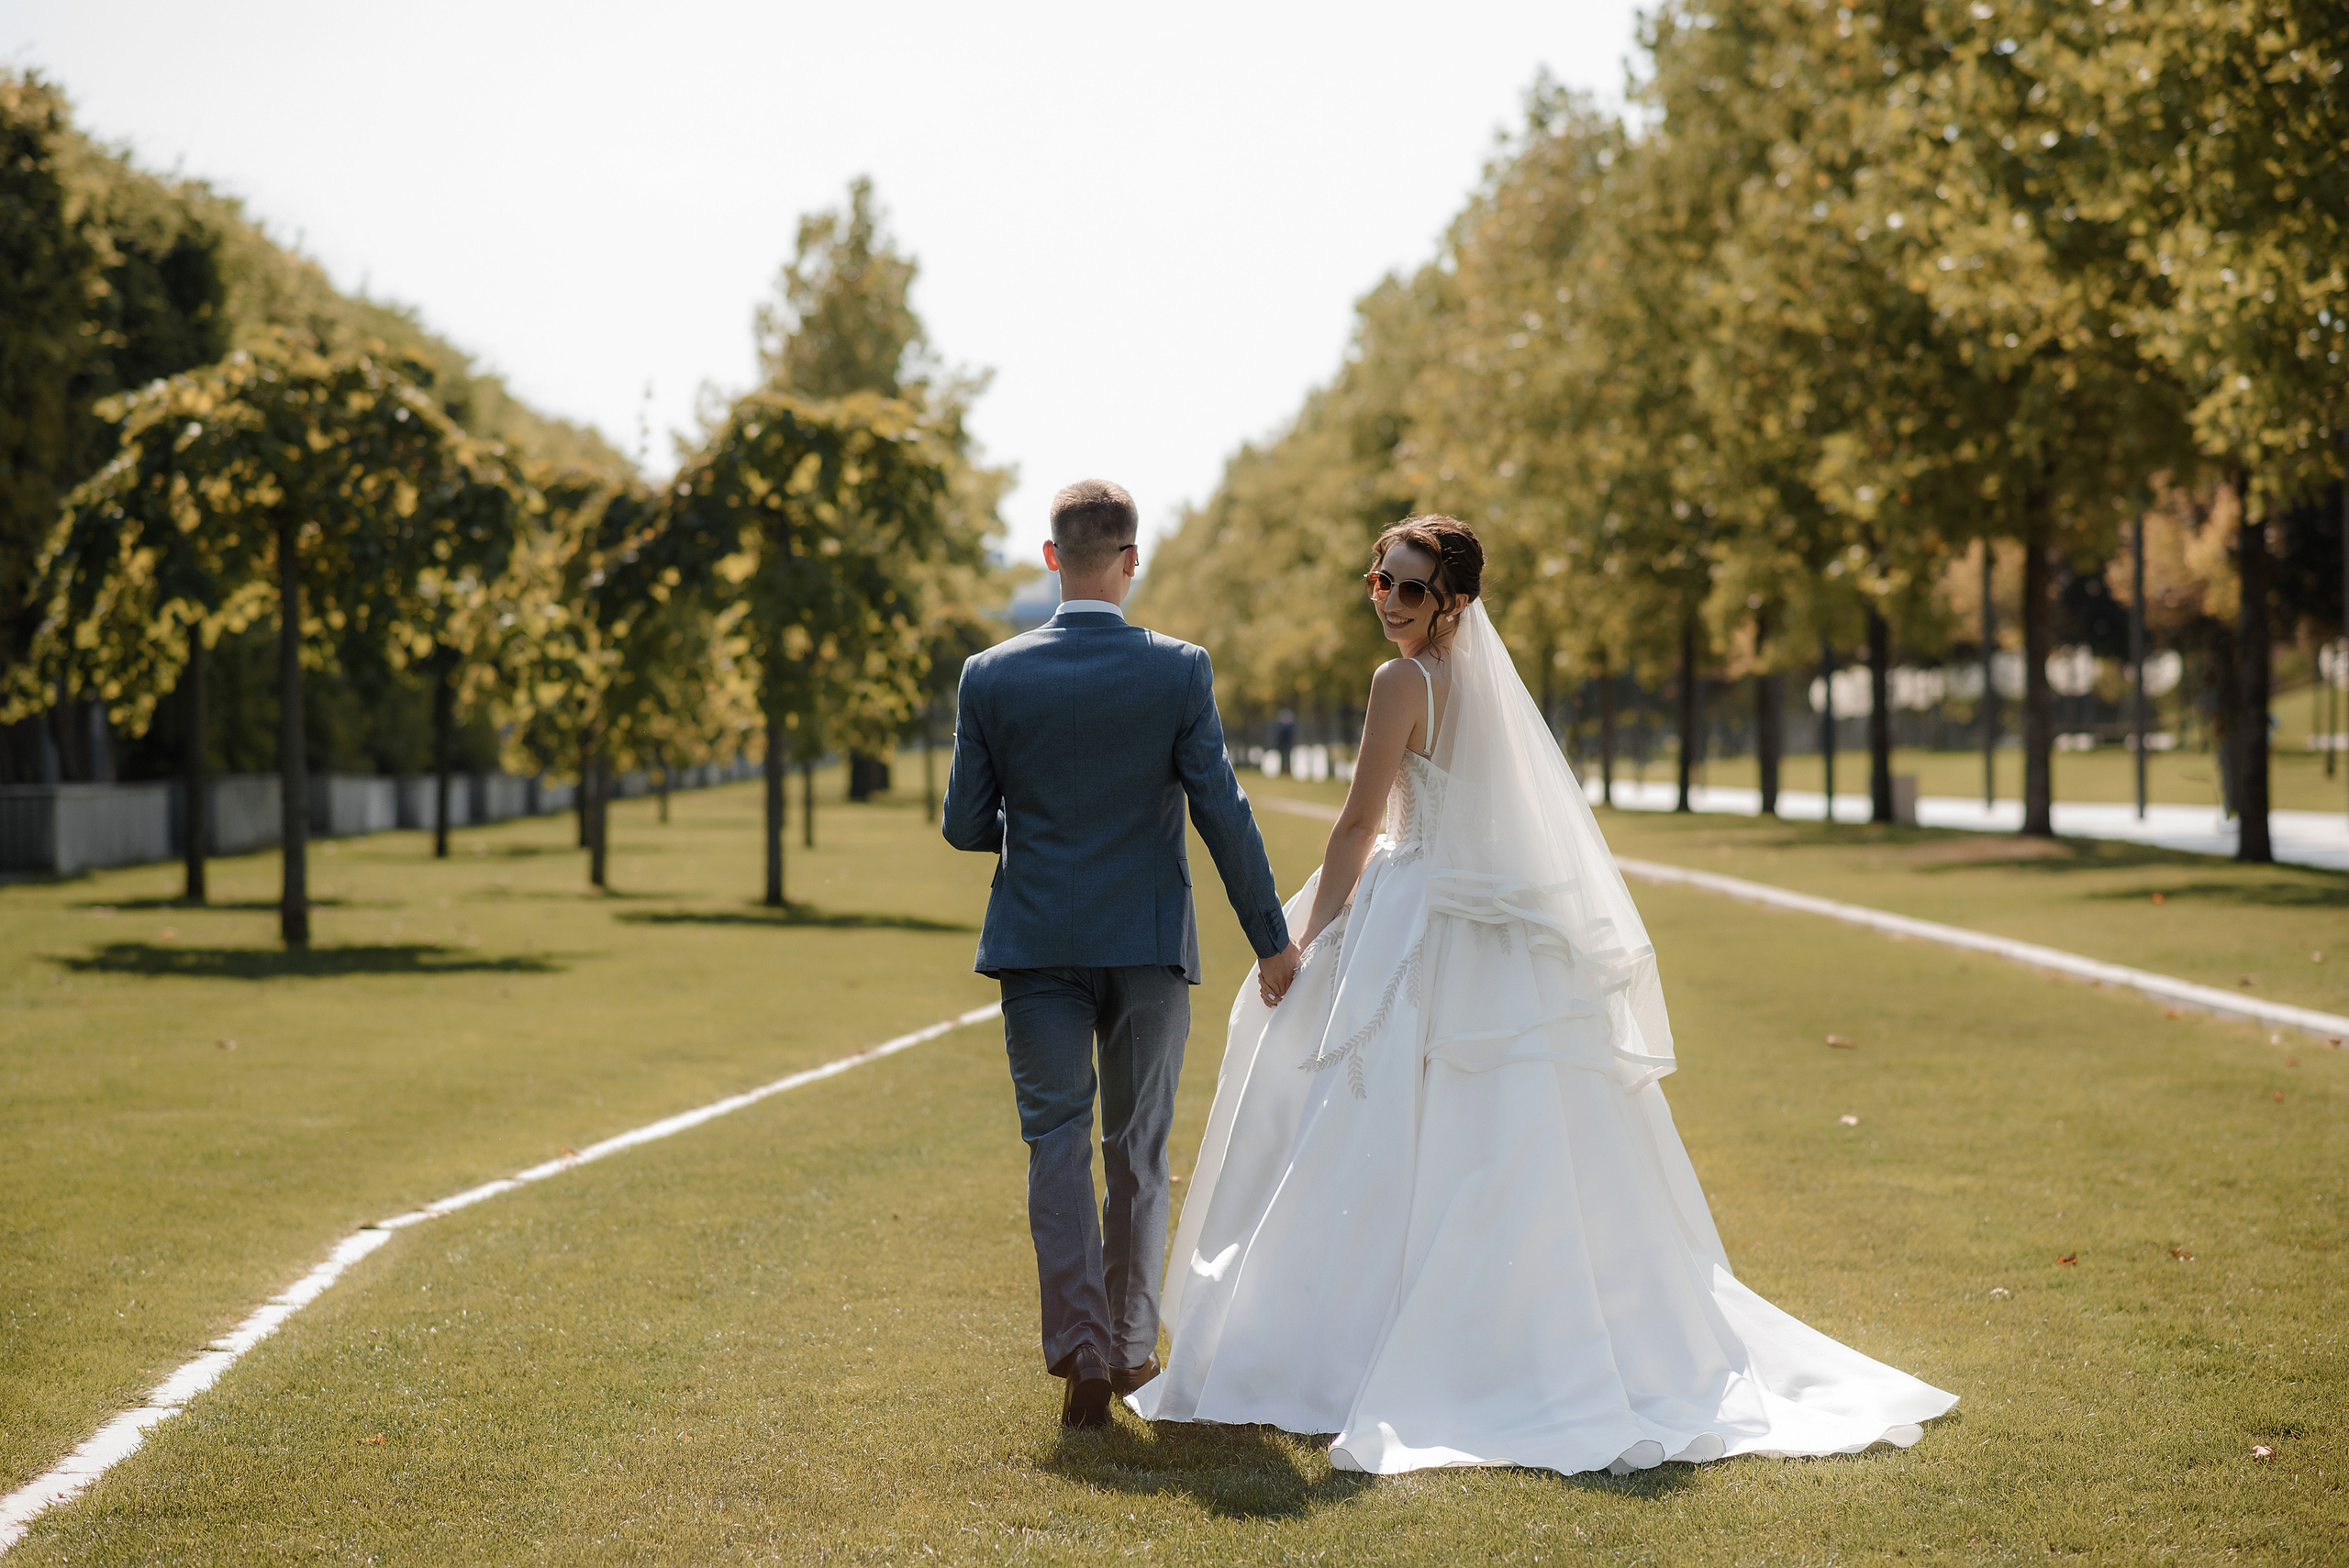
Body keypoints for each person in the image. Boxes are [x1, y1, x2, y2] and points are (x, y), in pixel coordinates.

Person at [1131, 515, 1956, 1474]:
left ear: (1454, 601)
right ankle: (1494, 1327)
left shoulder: (1401, 683)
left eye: (1406, 586)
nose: (1387, 601)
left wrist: (1296, 943)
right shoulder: (1487, 684)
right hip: (1491, 925)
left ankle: (1352, 1344)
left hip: (1415, 911)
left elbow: (1359, 823)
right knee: (1496, 1132)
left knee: (1375, 1119)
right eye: (1377, 581)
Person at [942, 479, 1302, 1429]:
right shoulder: (1179, 669)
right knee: (1138, 1150)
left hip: (1036, 944)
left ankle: (1080, 1352)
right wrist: (1271, 937)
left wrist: (1041, 827)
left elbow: (963, 823)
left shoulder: (990, 673)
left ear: (1052, 556)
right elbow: (1222, 810)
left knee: (1055, 1144)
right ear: (1131, 558)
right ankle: (1133, 1343)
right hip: (1147, 944)